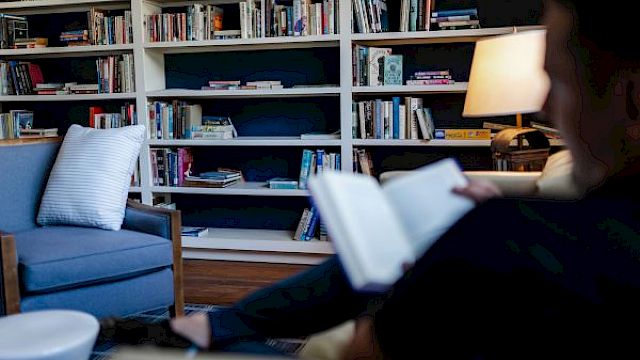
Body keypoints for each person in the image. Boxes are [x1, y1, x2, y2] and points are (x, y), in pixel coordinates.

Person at [101, 0, 640, 358]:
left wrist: (412, 279)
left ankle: (206, 332)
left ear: (632, 98)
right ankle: (215, 325)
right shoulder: (552, 229)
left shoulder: (508, 240)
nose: (544, 105)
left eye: (560, 82)